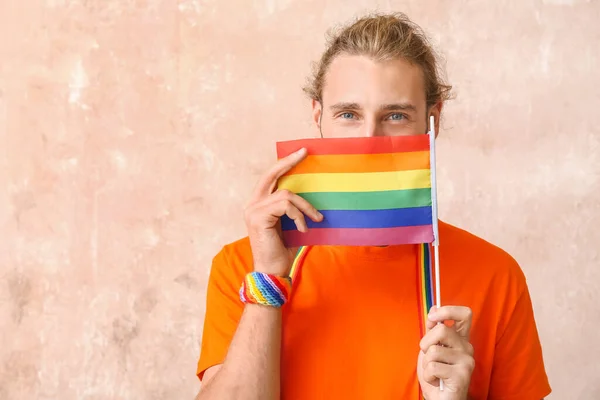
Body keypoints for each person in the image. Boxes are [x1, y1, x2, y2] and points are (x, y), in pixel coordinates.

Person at [195, 12, 551, 400]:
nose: (369, 139)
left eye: (395, 115)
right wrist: (267, 282)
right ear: (318, 117)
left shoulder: (495, 275)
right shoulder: (241, 266)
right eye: (348, 115)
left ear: (432, 119)